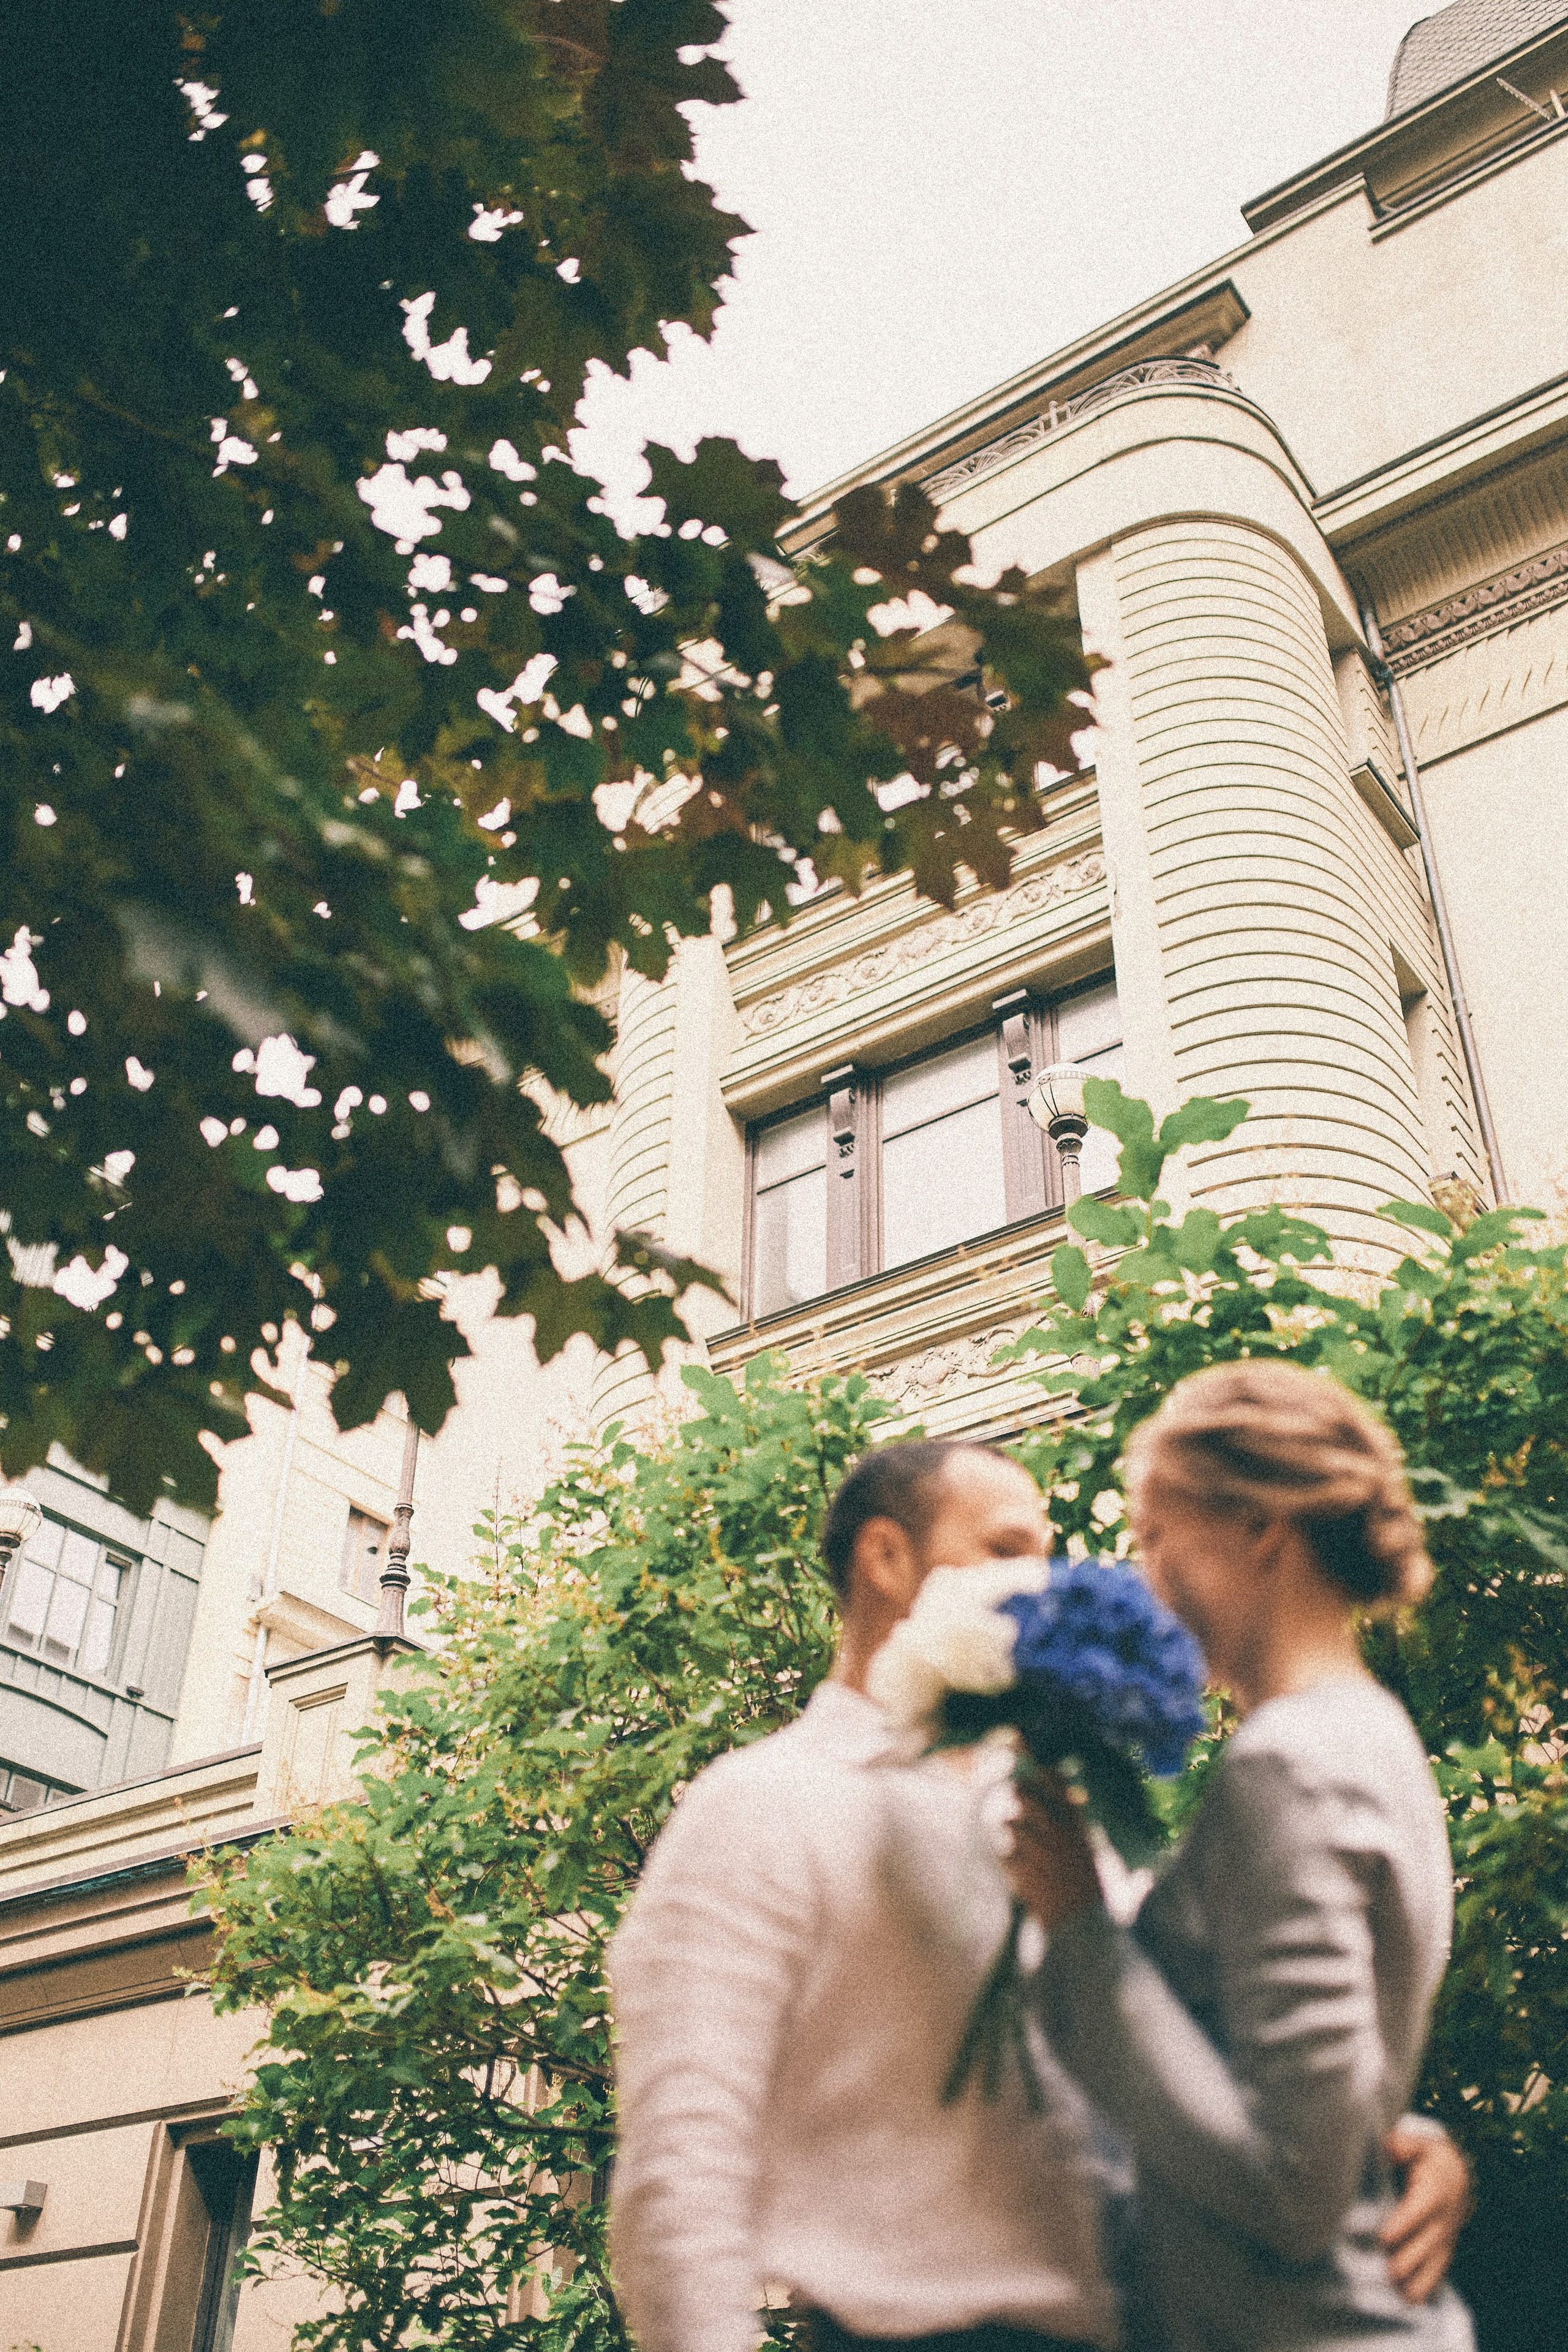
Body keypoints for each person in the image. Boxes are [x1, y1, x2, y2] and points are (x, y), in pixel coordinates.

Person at [608, 1433, 1471, 2352]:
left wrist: (1373, 2139)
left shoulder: (1062, 1816)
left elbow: (1159, 2046)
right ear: (889, 1558)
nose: (1045, 1583)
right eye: (1007, 1549)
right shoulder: (758, 1807)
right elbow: (680, 2175)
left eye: (1049, 1553)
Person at [1009, 1363, 1475, 2352]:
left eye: (1156, 1537)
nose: (1147, 1578)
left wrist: (1081, 1930)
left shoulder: (1287, 1766)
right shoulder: (1368, 1734)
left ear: (1261, 1528)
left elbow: (1291, 2186)